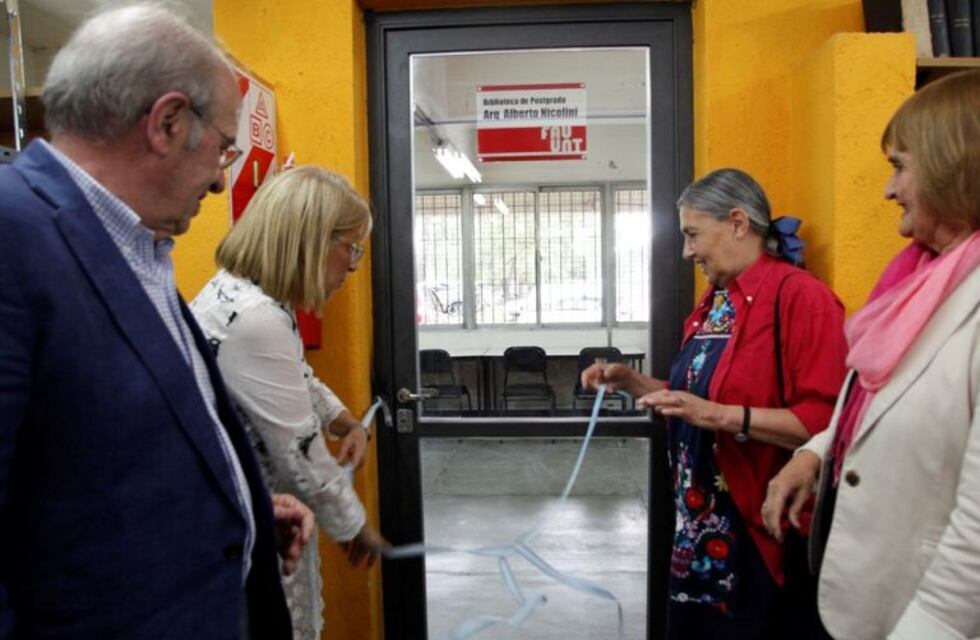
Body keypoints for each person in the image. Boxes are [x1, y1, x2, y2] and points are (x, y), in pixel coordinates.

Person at [0, 4, 312, 637]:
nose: (223, 185)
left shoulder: (135, 248)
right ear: (169, 122)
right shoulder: (13, 236)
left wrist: (236, 507)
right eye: (225, 149)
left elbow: (93, 455)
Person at [581, 168, 848, 639]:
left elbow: (826, 423)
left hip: (759, 531)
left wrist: (718, 416)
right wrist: (632, 382)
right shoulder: (715, 303)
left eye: (693, 234)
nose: (687, 252)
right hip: (700, 530)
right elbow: (695, 398)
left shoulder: (800, 299)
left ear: (739, 223)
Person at [763, 70, 980, 640]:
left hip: (927, 614)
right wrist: (816, 452)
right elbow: (873, 397)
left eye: (899, 167)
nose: (888, 191)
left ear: (956, 169)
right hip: (858, 587)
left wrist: (933, 626)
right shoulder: (915, 280)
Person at [190, 165, 389, 640]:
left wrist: (345, 422)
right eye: (351, 248)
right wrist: (355, 526)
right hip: (256, 535)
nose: (356, 265)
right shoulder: (254, 318)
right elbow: (300, 452)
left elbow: (295, 375)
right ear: (312, 240)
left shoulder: (249, 298)